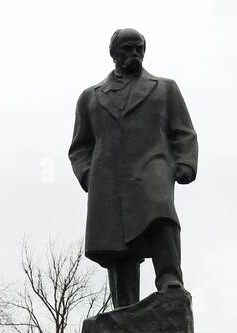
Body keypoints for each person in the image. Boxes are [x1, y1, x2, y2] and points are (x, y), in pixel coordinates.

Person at [69, 27, 198, 308]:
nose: (134, 53)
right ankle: (125, 307)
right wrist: (89, 176)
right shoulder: (90, 97)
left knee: (160, 213)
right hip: (108, 177)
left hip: (154, 165)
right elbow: (80, 147)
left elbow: (183, 131)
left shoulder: (165, 88)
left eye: (139, 48)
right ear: (114, 53)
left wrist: (185, 161)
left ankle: (169, 281)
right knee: (117, 242)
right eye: (127, 48)